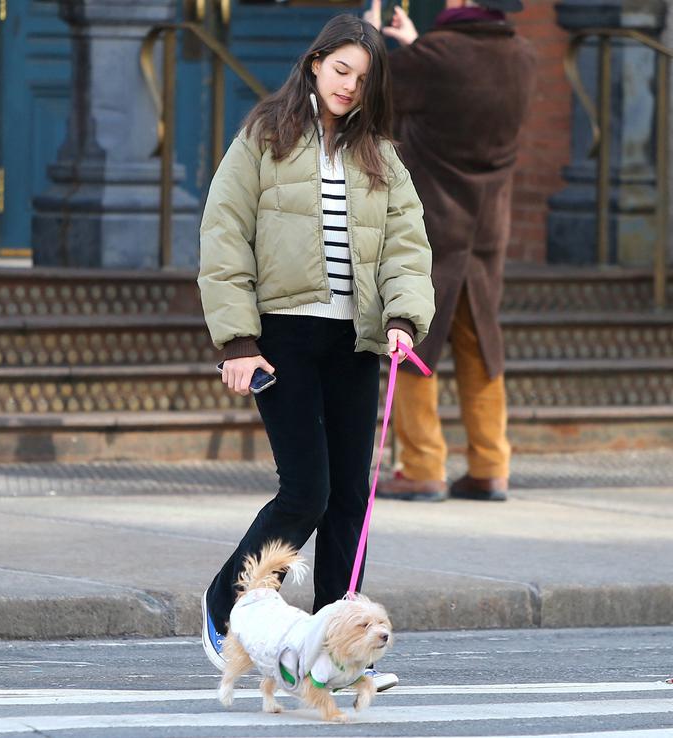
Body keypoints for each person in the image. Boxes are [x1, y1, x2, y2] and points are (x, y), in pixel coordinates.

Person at [197, 13, 434, 691]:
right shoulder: (263, 138)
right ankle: (226, 608)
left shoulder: (380, 156)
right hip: (283, 339)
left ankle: (342, 649)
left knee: (351, 498)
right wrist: (238, 341)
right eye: (340, 70)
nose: (349, 87)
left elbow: (406, 249)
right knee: (307, 490)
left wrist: (402, 317)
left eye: (363, 79)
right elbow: (224, 236)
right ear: (314, 62)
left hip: (353, 341)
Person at [364, 0, 536, 503]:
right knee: (480, 339)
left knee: (413, 338)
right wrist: (417, 45)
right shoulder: (523, 56)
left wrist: (373, 40)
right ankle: (491, 465)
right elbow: (461, 93)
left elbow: (372, 95)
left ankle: (421, 466)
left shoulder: (437, 56)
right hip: (489, 226)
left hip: (432, 223)